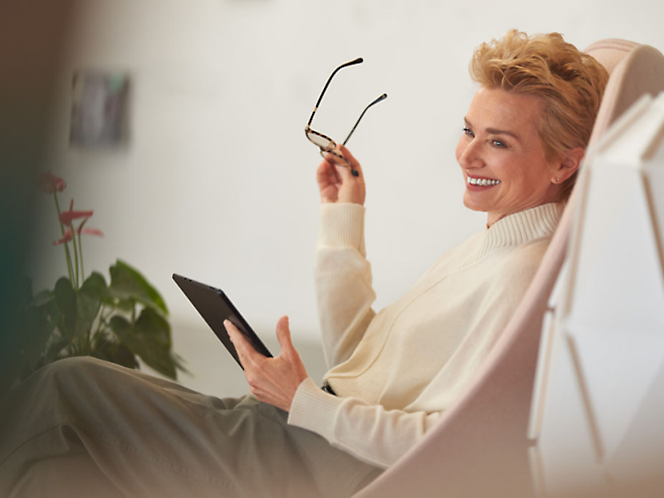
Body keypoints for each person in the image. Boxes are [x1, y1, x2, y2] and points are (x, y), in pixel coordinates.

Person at [0, 30, 609, 497]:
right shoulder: (497, 242)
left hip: (312, 462)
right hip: (304, 431)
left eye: (498, 141)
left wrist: (303, 402)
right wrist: (345, 216)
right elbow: (358, 358)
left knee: (66, 383)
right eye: (469, 129)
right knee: (52, 474)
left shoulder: (522, 279)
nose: (467, 153)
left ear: (565, 164)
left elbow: (447, 445)